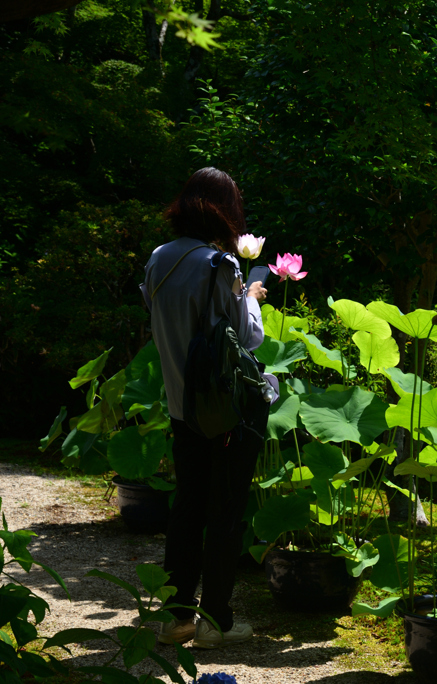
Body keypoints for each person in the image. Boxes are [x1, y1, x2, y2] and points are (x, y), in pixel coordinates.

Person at [141, 167, 269, 649]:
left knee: (187, 507)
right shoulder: (223, 265)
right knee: (226, 509)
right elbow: (247, 335)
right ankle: (216, 620)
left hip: (181, 403)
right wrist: (252, 296)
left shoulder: (159, 259)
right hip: (223, 409)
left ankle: (176, 618)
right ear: (224, 209)